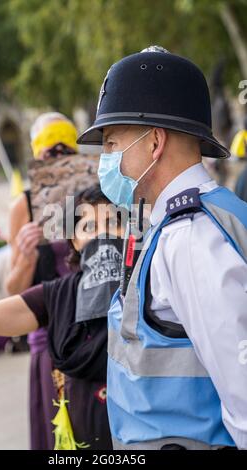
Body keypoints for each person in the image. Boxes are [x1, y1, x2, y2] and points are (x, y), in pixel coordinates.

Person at [77, 45, 247, 450]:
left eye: (111, 143)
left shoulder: (190, 238)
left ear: (155, 142)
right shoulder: (207, 216)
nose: (105, 160)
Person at [0, 185, 124, 450]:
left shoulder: (152, 283)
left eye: (112, 222)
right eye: (88, 227)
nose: (103, 234)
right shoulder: (56, 295)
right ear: (73, 241)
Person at [6, 112, 77, 449]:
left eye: (68, 149)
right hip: (47, 335)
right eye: (51, 150)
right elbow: (12, 290)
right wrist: (26, 256)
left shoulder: (95, 198)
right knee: (58, 435)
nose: (59, 156)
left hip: (90, 333)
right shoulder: (23, 206)